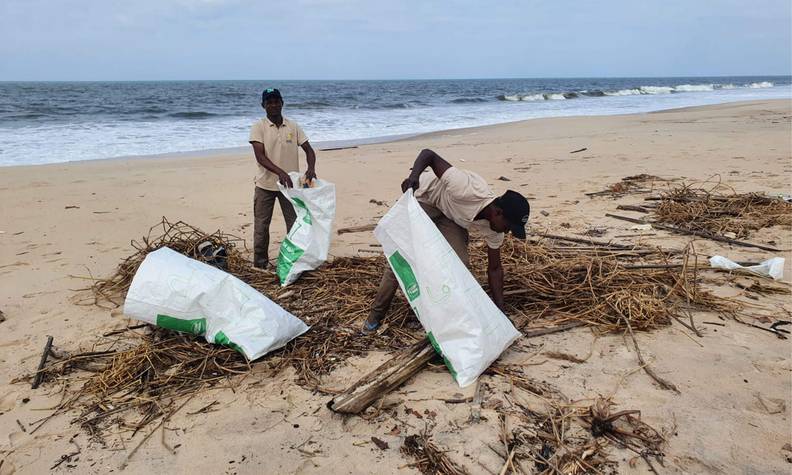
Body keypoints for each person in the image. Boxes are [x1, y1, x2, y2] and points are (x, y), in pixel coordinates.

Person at [363, 148, 530, 334]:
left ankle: (442, 315)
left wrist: (500, 312)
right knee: (401, 259)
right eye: (508, 226)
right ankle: (375, 317)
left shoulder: (495, 230)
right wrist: (414, 177)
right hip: (424, 200)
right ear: (498, 212)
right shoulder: (466, 188)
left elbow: (495, 268)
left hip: (450, 216)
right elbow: (429, 155)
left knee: (460, 265)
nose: (507, 232)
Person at [248, 88, 318, 270]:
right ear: (263, 105)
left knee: (295, 226)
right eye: (269, 102)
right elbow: (260, 157)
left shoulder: (293, 126)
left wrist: (311, 168)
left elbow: (309, 150)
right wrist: (280, 172)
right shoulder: (259, 127)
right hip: (265, 185)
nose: (273, 105)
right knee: (261, 227)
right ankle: (260, 265)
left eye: (276, 101)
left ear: (282, 102)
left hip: (289, 187)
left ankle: (293, 262)